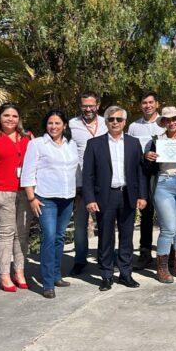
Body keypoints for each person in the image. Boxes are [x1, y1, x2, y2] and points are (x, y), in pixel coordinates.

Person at [82, 105, 148, 291]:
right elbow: (88, 175)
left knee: (127, 237)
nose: (115, 122)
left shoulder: (134, 143)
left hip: (127, 195)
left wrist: (142, 195)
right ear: (106, 122)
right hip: (105, 196)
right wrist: (89, 199)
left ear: (125, 122)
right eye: (111, 119)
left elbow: (140, 172)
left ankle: (125, 274)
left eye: (119, 119)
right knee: (105, 237)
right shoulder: (94, 144)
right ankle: (106, 275)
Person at [20, 110, 78, 299]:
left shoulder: (71, 145)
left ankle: (56, 276)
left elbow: (75, 171)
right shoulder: (37, 144)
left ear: (65, 125)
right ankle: (47, 284)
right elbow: (28, 172)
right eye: (50, 123)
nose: (53, 127)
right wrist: (31, 198)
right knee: (49, 238)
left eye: (57, 123)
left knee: (60, 237)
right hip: (45, 199)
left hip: (67, 198)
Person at [0, 102, 33, 292]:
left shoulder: (28, 137)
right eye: (6, 115)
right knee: (6, 233)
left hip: (25, 193)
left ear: (19, 119)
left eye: (14, 116)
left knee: (22, 234)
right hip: (2, 192)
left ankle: (19, 271)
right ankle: (4, 275)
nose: (10, 119)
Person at [143, 107, 176, 283]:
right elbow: (146, 168)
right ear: (163, 123)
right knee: (168, 227)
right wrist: (148, 158)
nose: (172, 123)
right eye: (168, 120)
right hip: (164, 184)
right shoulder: (155, 141)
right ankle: (162, 268)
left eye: (175, 119)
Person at [68, 92, 107, 276]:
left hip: (103, 182)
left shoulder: (107, 122)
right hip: (80, 182)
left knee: (104, 223)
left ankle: (104, 257)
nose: (88, 109)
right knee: (80, 225)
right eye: (85, 105)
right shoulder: (72, 125)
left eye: (91, 105)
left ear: (97, 105)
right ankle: (80, 260)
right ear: (80, 106)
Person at [127, 92, 166, 270]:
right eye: (144, 103)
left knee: (166, 215)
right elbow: (129, 150)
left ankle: (169, 254)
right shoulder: (134, 127)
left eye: (151, 102)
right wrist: (143, 155)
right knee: (146, 214)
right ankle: (144, 253)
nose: (148, 105)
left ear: (157, 104)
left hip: (163, 173)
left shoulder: (165, 123)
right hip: (144, 173)